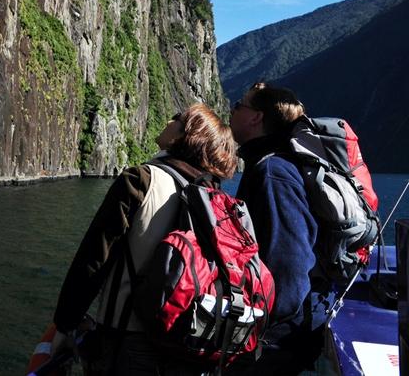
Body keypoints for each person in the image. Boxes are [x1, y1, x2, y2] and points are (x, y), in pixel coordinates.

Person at [50, 103, 237, 375]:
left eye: (178, 118)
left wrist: (65, 325)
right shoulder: (215, 199)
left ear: (185, 135)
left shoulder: (141, 181)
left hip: (126, 341)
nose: (170, 119)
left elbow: (93, 260)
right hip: (188, 346)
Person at [226, 82, 335, 375]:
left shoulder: (273, 173)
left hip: (274, 341)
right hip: (279, 335)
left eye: (239, 104)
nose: (232, 110)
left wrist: (262, 330)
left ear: (255, 117)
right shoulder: (268, 165)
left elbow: (289, 262)